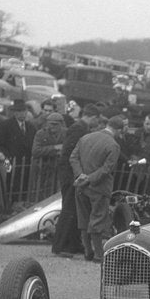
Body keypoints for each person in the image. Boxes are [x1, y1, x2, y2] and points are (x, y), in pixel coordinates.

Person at [70, 115, 126, 262]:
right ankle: (98, 254)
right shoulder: (113, 145)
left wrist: (80, 175)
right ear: (119, 130)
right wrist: (90, 178)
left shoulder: (86, 138)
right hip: (99, 188)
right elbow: (107, 169)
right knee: (97, 220)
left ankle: (87, 251)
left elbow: (73, 158)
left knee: (83, 219)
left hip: (81, 186)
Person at [52, 104, 99, 258]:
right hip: (70, 174)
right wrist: (76, 174)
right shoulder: (79, 129)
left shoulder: (79, 127)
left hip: (71, 173)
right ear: (92, 117)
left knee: (74, 209)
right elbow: (69, 153)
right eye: (96, 120)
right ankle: (61, 246)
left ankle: (72, 244)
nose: (96, 123)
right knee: (69, 208)